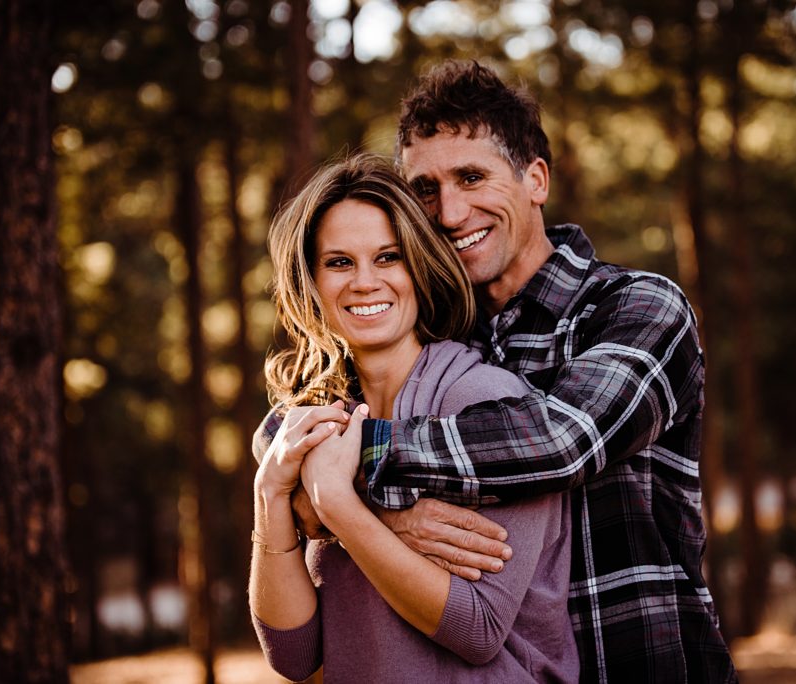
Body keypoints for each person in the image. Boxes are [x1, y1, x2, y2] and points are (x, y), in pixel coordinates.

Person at [258, 61, 738, 683]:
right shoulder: (438, 336)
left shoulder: (636, 307)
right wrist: (313, 478)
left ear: (535, 179)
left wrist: (343, 474)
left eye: (472, 176)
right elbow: (283, 432)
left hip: (642, 662)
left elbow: (560, 443)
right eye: (425, 189)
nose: (451, 212)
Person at [249, 154, 578, 682]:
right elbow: (293, 655)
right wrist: (270, 495)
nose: (363, 282)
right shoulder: (317, 422)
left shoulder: (485, 404)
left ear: (419, 267)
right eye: (338, 262)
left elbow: (478, 629)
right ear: (309, 279)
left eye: (387, 258)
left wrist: (339, 506)